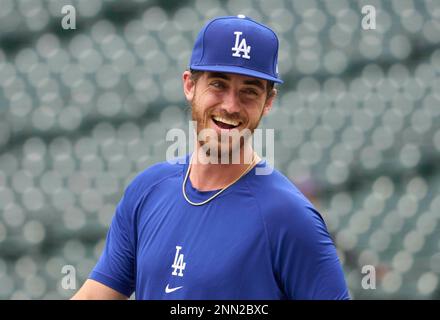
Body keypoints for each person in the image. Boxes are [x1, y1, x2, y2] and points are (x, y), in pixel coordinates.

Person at [72, 15, 349, 300]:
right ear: (190, 85)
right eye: (218, 84)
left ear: (269, 102)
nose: (230, 105)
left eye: (249, 91)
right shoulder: (147, 190)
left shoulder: (289, 217)